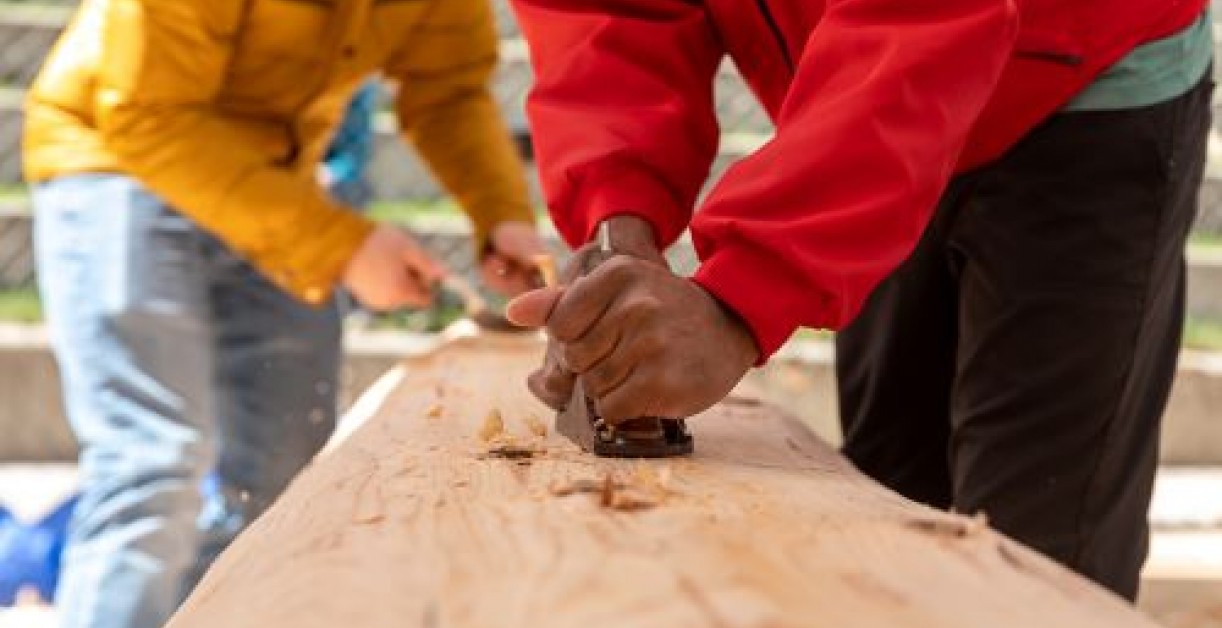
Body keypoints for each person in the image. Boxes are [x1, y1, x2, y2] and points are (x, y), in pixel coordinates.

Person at [505, 0, 1212, 601]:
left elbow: (928, 19)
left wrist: (741, 297)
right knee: (888, 520)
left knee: (1038, 560)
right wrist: (618, 214)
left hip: (1077, 71)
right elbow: (608, 12)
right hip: (857, 82)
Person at [22, 0, 542, 625]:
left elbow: (450, 90)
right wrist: (343, 247)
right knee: (154, 464)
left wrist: (501, 212)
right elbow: (145, 115)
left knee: (286, 473)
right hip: (119, 162)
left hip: (273, 181)